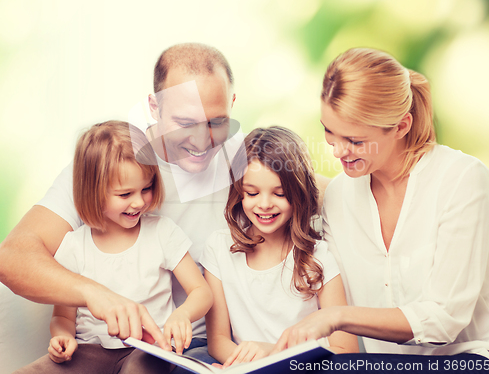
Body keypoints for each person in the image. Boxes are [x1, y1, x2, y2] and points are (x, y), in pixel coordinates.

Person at [0, 43, 238, 364]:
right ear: (154, 107)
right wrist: (97, 295)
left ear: (232, 105)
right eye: (185, 123)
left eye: (216, 122)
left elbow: (314, 187)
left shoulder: (246, 159)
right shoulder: (108, 165)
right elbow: (13, 259)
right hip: (99, 347)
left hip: (181, 351)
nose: (202, 140)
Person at [273, 48, 489, 359]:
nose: (338, 151)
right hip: (384, 365)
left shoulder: (462, 181)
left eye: (355, 141)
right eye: (329, 131)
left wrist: (335, 316)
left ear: (401, 126)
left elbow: (443, 320)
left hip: (471, 360)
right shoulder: (339, 196)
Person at [14, 121, 213, 374]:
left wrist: (182, 314)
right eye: (125, 194)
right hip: (89, 351)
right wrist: (62, 337)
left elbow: (201, 291)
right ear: (94, 192)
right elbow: (63, 316)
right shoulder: (75, 245)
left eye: (146, 188)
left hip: (150, 350)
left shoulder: (162, 232)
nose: (139, 201)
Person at [201, 126, 359, 367]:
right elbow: (218, 340)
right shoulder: (219, 248)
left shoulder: (319, 257)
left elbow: (345, 350)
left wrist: (274, 354)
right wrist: (240, 366)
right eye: (252, 193)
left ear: (298, 193)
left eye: (280, 193)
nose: (264, 204)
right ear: (239, 192)